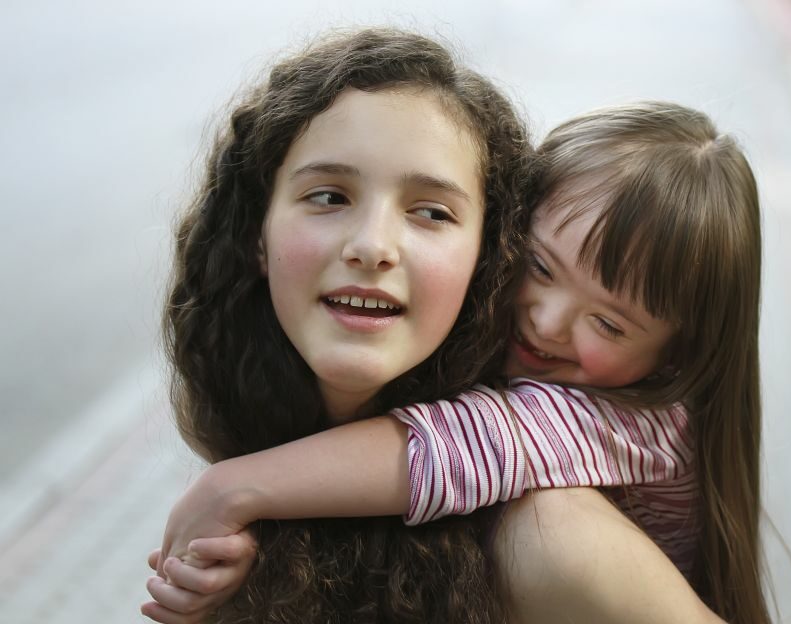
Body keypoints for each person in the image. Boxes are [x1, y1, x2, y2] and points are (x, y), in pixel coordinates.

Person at [147, 99, 770, 622]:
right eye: (538, 267)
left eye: (608, 322)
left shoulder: (647, 425)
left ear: (677, 356)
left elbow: (468, 443)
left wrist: (237, 488)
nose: (546, 322)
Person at [146, 27, 535, 624]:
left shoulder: (542, 532)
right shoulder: (240, 501)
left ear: (486, 259)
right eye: (329, 197)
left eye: (430, 212)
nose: (372, 246)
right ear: (257, 236)